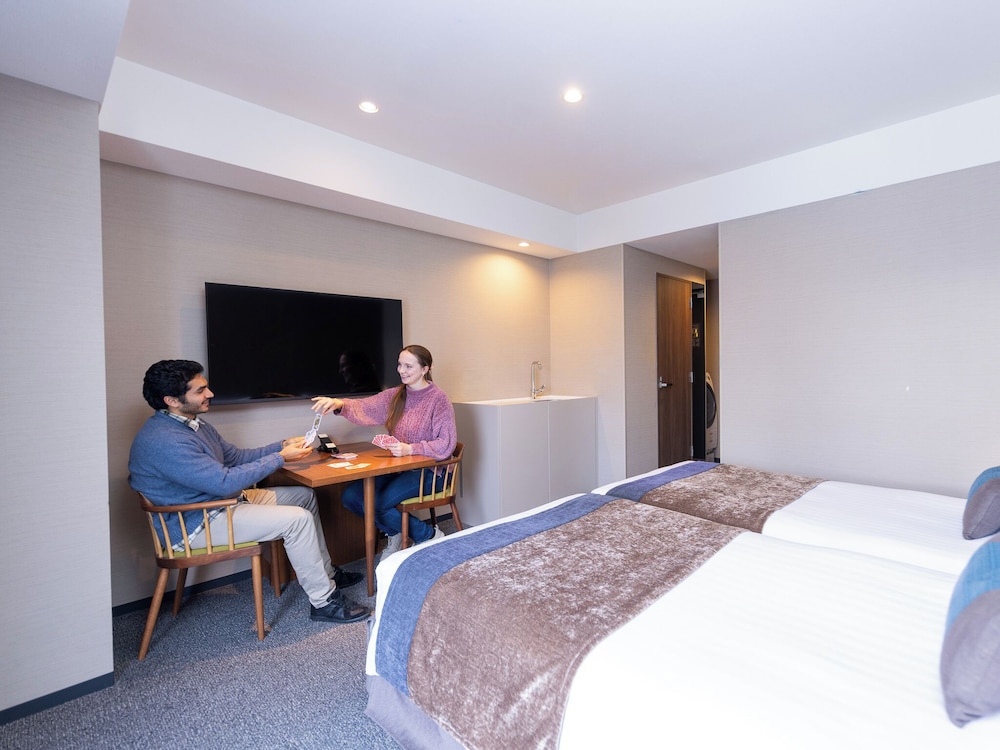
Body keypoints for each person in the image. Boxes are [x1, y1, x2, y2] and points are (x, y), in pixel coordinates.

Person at [128, 359, 369, 624]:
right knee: (297, 520)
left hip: (220, 502)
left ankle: (326, 574)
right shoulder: (166, 440)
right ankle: (324, 602)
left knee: (304, 497)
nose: (210, 394)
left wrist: (281, 445)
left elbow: (234, 457)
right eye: (200, 390)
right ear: (172, 400)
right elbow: (225, 483)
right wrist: (280, 458)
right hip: (197, 521)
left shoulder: (194, 424)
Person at [312, 345, 457, 556]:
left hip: (432, 471)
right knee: (351, 498)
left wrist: (411, 449)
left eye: (408, 366)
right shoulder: (395, 395)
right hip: (399, 467)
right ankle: (395, 532)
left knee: (377, 504)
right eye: (399, 365)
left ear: (425, 369)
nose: (401, 371)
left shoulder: (439, 399)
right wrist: (338, 403)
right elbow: (366, 407)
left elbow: (446, 443)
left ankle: (429, 535)